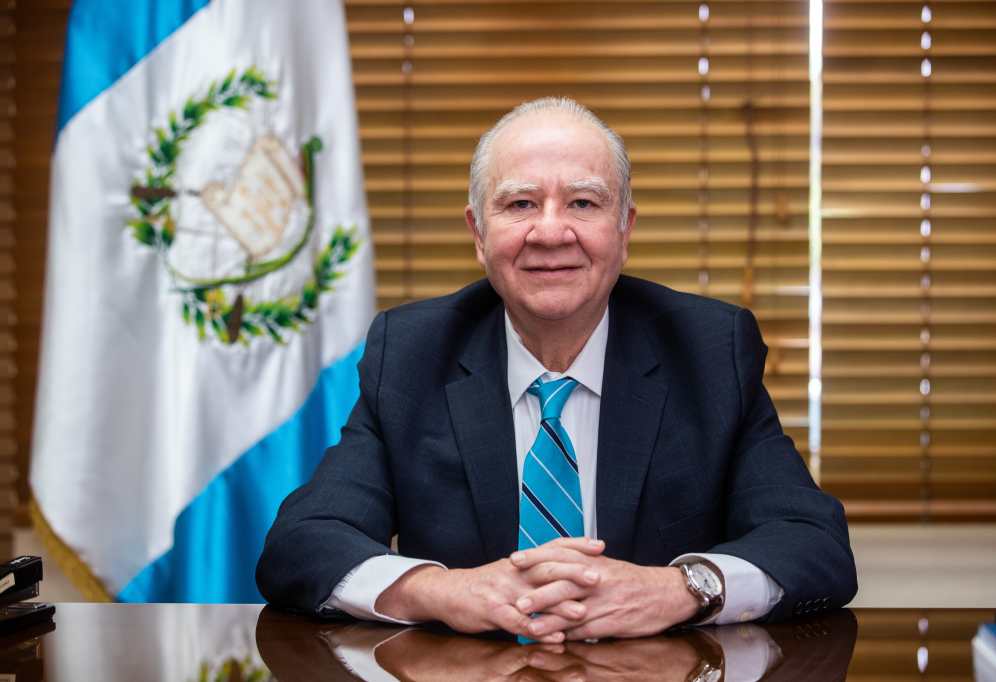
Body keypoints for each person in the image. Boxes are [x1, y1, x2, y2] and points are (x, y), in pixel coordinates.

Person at [256, 97, 857, 643]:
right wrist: (441, 590)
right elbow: (302, 543)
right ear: (478, 232)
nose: (549, 232)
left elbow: (814, 543)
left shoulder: (707, 351)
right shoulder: (414, 353)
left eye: (583, 203)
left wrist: (680, 589)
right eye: (520, 204)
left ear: (625, 229)